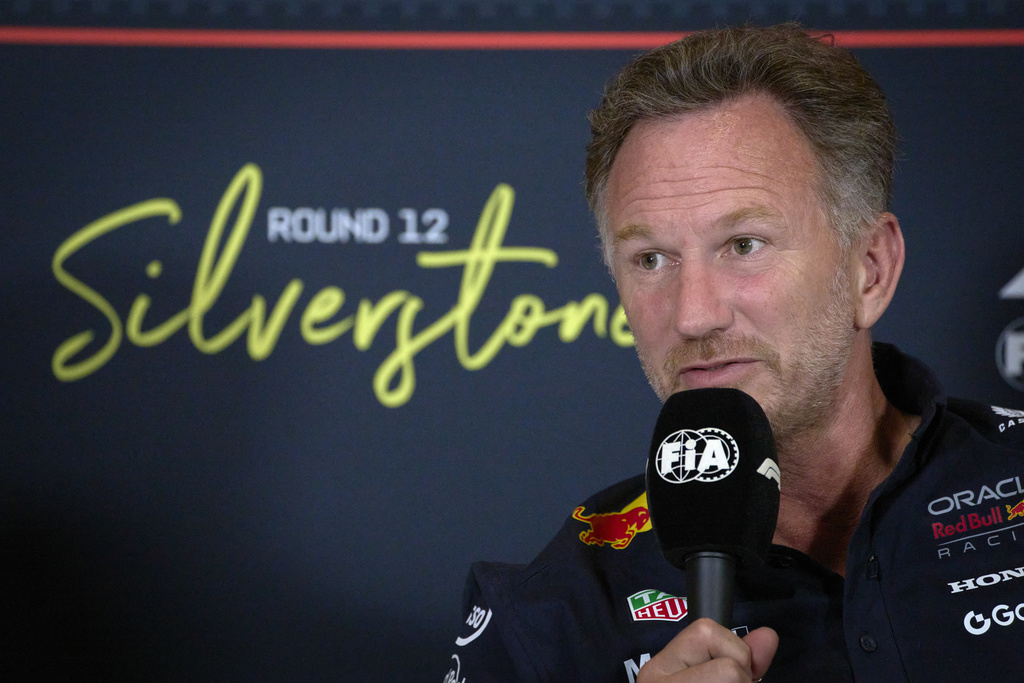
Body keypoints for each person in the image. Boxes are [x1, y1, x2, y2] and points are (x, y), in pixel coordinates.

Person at [444, 23, 1024, 682]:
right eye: (651, 258)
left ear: (870, 269)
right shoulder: (546, 618)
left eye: (744, 245)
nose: (693, 315)